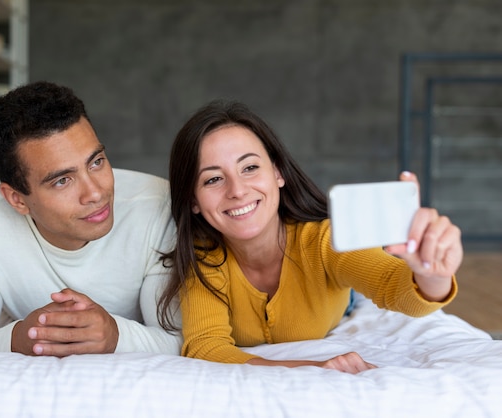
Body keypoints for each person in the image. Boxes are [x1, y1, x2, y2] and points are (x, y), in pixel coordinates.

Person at [158, 99, 462, 374]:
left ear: (278, 173)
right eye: (213, 179)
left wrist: (432, 274)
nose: (237, 190)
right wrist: (313, 366)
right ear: (193, 200)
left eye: (250, 167)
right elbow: (206, 348)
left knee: (352, 282)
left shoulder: (325, 240)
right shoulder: (202, 260)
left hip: (336, 291)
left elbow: (396, 288)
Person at [0, 81, 181, 357]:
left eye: (96, 162)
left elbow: (184, 339)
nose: (95, 193)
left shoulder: (157, 204)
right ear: (17, 199)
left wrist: (116, 335)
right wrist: (19, 338)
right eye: (62, 181)